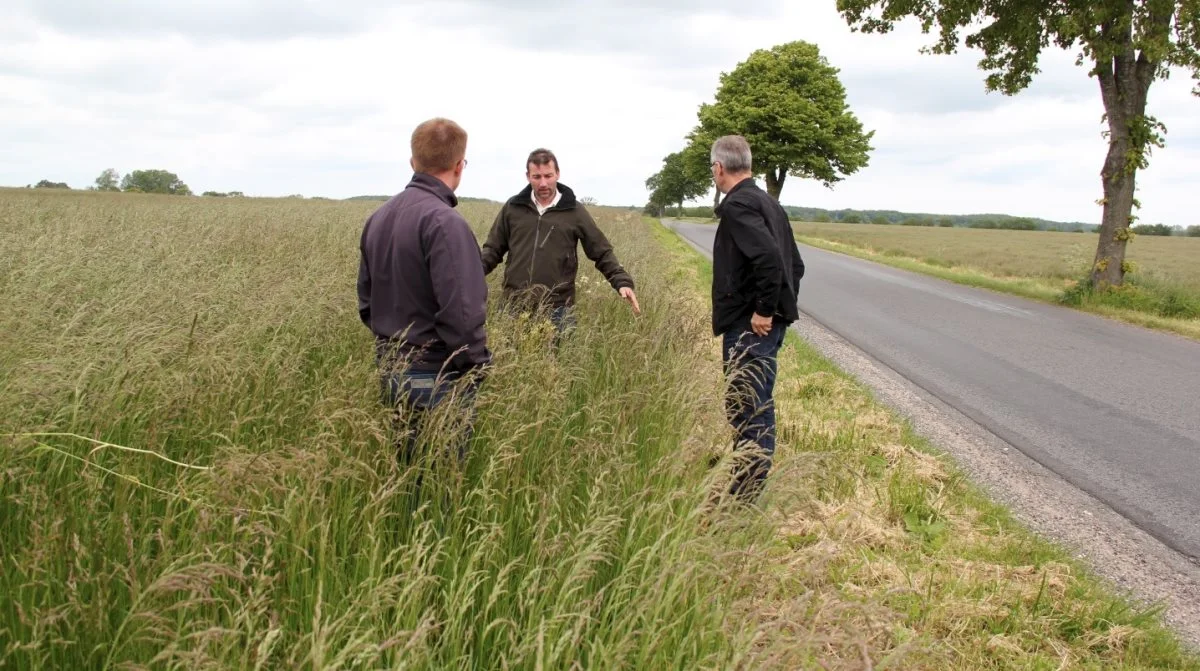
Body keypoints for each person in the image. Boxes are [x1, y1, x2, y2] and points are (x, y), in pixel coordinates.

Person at [357, 117, 491, 466]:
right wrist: (477, 368)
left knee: (404, 480)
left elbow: (367, 304)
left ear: (413, 162)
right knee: (440, 489)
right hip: (437, 376)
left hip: (389, 370)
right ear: (460, 166)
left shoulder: (378, 217)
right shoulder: (446, 223)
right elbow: (462, 317)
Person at [709, 135, 805, 503]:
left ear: (719, 168)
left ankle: (744, 497)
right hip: (764, 325)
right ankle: (748, 486)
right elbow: (795, 265)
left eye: (713, 169)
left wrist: (765, 310)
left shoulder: (738, 206)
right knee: (758, 404)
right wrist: (781, 308)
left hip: (750, 327)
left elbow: (770, 259)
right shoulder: (769, 202)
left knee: (748, 408)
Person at [481, 148, 640, 334]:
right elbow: (492, 250)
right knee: (510, 360)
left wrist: (622, 282)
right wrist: (468, 276)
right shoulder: (513, 207)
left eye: (548, 176)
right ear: (528, 176)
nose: (543, 183)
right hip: (514, 305)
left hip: (558, 309)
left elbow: (601, 251)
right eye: (536, 176)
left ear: (557, 173)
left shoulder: (574, 211)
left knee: (557, 362)